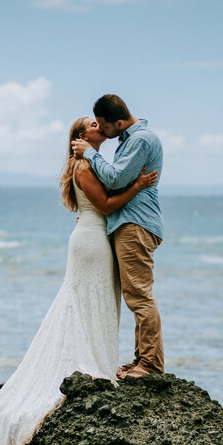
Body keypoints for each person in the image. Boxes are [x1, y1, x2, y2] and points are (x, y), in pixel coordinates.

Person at [0, 116, 158, 445]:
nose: (99, 127)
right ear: (80, 136)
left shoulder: (90, 162)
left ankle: (98, 356)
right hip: (92, 243)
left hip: (93, 238)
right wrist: (138, 186)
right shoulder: (84, 165)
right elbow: (105, 206)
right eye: (92, 124)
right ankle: (91, 360)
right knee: (86, 301)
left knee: (95, 301)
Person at [71, 94, 164, 379]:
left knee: (139, 296)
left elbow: (114, 179)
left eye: (105, 126)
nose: (104, 131)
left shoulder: (140, 140)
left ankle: (149, 365)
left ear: (119, 122)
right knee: (135, 294)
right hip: (126, 223)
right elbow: (111, 187)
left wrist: (89, 153)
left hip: (135, 224)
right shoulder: (127, 140)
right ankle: (142, 360)